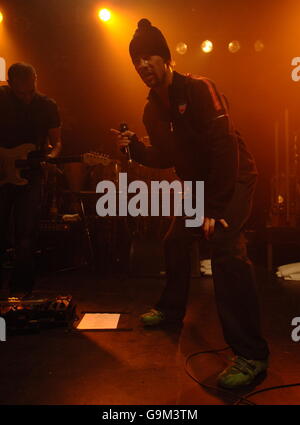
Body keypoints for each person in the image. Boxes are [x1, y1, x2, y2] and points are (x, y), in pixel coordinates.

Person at [112, 18, 269, 389]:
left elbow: (224, 146)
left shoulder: (200, 89)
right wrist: (134, 148)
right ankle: (170, 310)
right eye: (136, 60)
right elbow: (165, 157)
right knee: (175, 240)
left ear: (165, 58)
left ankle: (251, 354)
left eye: (148, 56)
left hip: (234, 178)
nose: (142, 65)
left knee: (226, 249)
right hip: (201, 186)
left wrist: (214, 208)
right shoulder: (152, 110)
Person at [0, 62, 62, 297]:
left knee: (26, 235)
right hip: (1, 175)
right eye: (20, 91)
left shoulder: (47, 106)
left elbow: (56, 143)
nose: (27, 95)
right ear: (9, 83)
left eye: (31, 89)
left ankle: (21, 292)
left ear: (36, 79)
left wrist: (51, 158)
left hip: (32, 173)